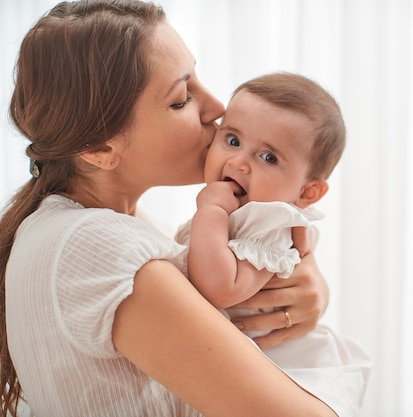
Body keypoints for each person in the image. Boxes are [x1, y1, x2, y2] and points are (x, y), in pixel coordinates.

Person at [0, 1, 338, 416]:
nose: (217, 107)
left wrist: (305, 280)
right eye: (182, 99)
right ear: (100, 148)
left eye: (197, 77)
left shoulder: (138, 231)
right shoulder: (96, 247)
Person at [176, 72, 372, 416]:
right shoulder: (237, 215)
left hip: (290, 374)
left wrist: (211, 211)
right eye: (233, 140)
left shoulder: (271, 222)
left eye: (268, 158)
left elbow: (220, 288)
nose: (238, 162)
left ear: (306, 193)